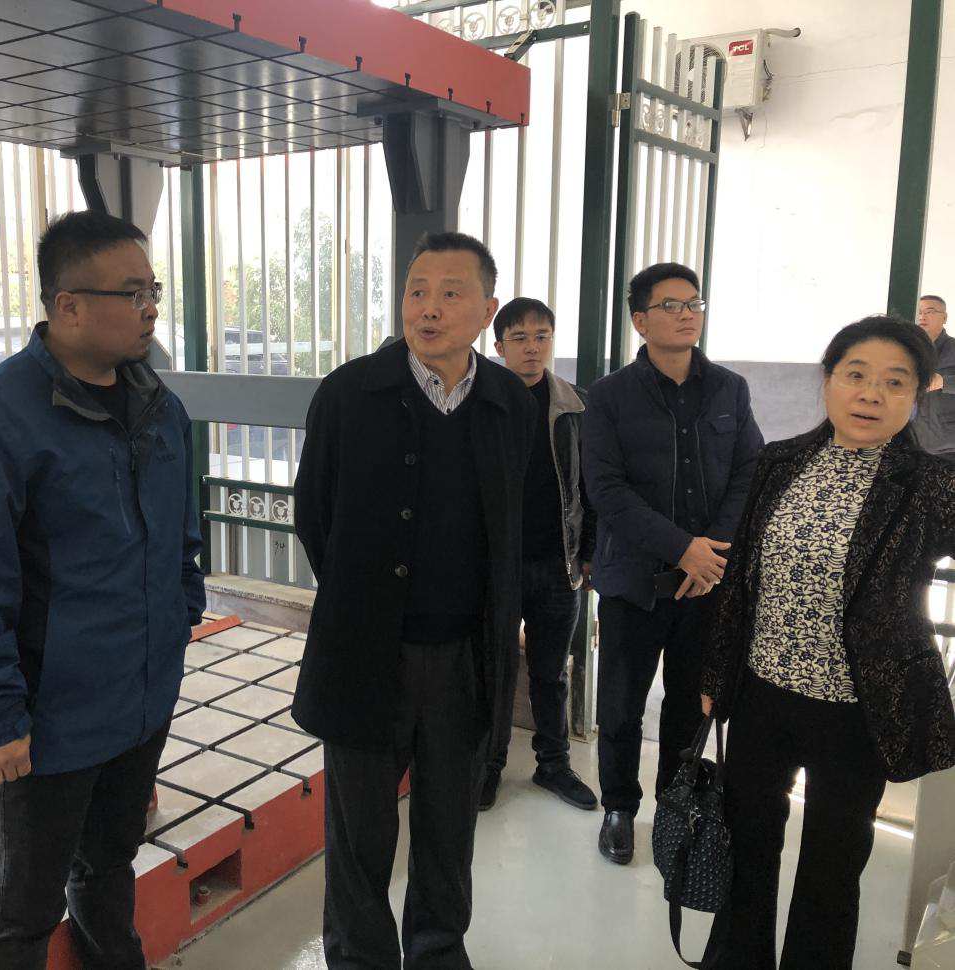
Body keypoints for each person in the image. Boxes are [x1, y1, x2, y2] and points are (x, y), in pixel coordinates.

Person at [0, 211, 205, 969]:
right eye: (132, 292)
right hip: (46, 723)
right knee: (23, 907)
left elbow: (182, 539)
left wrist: (178, 624)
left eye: (153, 290)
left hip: (141, 699)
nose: (150, 308)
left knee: (109, 864)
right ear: (67, 305)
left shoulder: (160, 408)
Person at [293, 231, 534, 970]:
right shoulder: (349, 393)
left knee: (449, 827)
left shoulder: (508, 402)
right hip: (367, 651)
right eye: (416, 291)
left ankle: (437, 951)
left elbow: (512, 526)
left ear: (487, 309)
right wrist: (365, 602)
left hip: (465, 655)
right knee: (359, 834)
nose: (428, 308)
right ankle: (358, 958)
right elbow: (315, 514)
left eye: (450, 293)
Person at [700, 316, 955, 969]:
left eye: (894, 382)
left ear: (917, 394)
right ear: (829, 380)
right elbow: (743, 576)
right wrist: (717, 674)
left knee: (832, 868)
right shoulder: (781, 460)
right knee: (746, 847)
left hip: (858, 711)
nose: (871, 394)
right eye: (856, 375)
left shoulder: (930, 485)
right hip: (762, 697)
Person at [581, 262, 763, 864]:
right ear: (640, 320)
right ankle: (618, 807)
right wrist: (681, 547)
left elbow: (749, 472)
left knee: (689, 703)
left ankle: (674, 807)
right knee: (621, 706)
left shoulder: (729, 389)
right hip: (633, 582)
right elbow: (607, 490)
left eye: (694, 303)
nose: (687, 314)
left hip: (706, 583)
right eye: (671, 305)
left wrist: (708, 553)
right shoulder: (607, 396)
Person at [479, 297, 598, 812]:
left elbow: (592, 487)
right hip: (496, 568)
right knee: (496, 671)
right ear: (499, 346)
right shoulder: (481, 405)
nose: (532, 348)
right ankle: (489, 766)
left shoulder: (576, 407)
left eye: (542, 336)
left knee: (551, 672)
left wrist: (589, 551)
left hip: (557, 564)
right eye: (520, 338)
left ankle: (554, 764)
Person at [909, 295, 955, 456]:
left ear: (945, 317)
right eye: (919, 312)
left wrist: (943, 382)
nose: (922, 316)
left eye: (929, 311)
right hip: (909, 441)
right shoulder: (905, 350)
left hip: (948, 445)